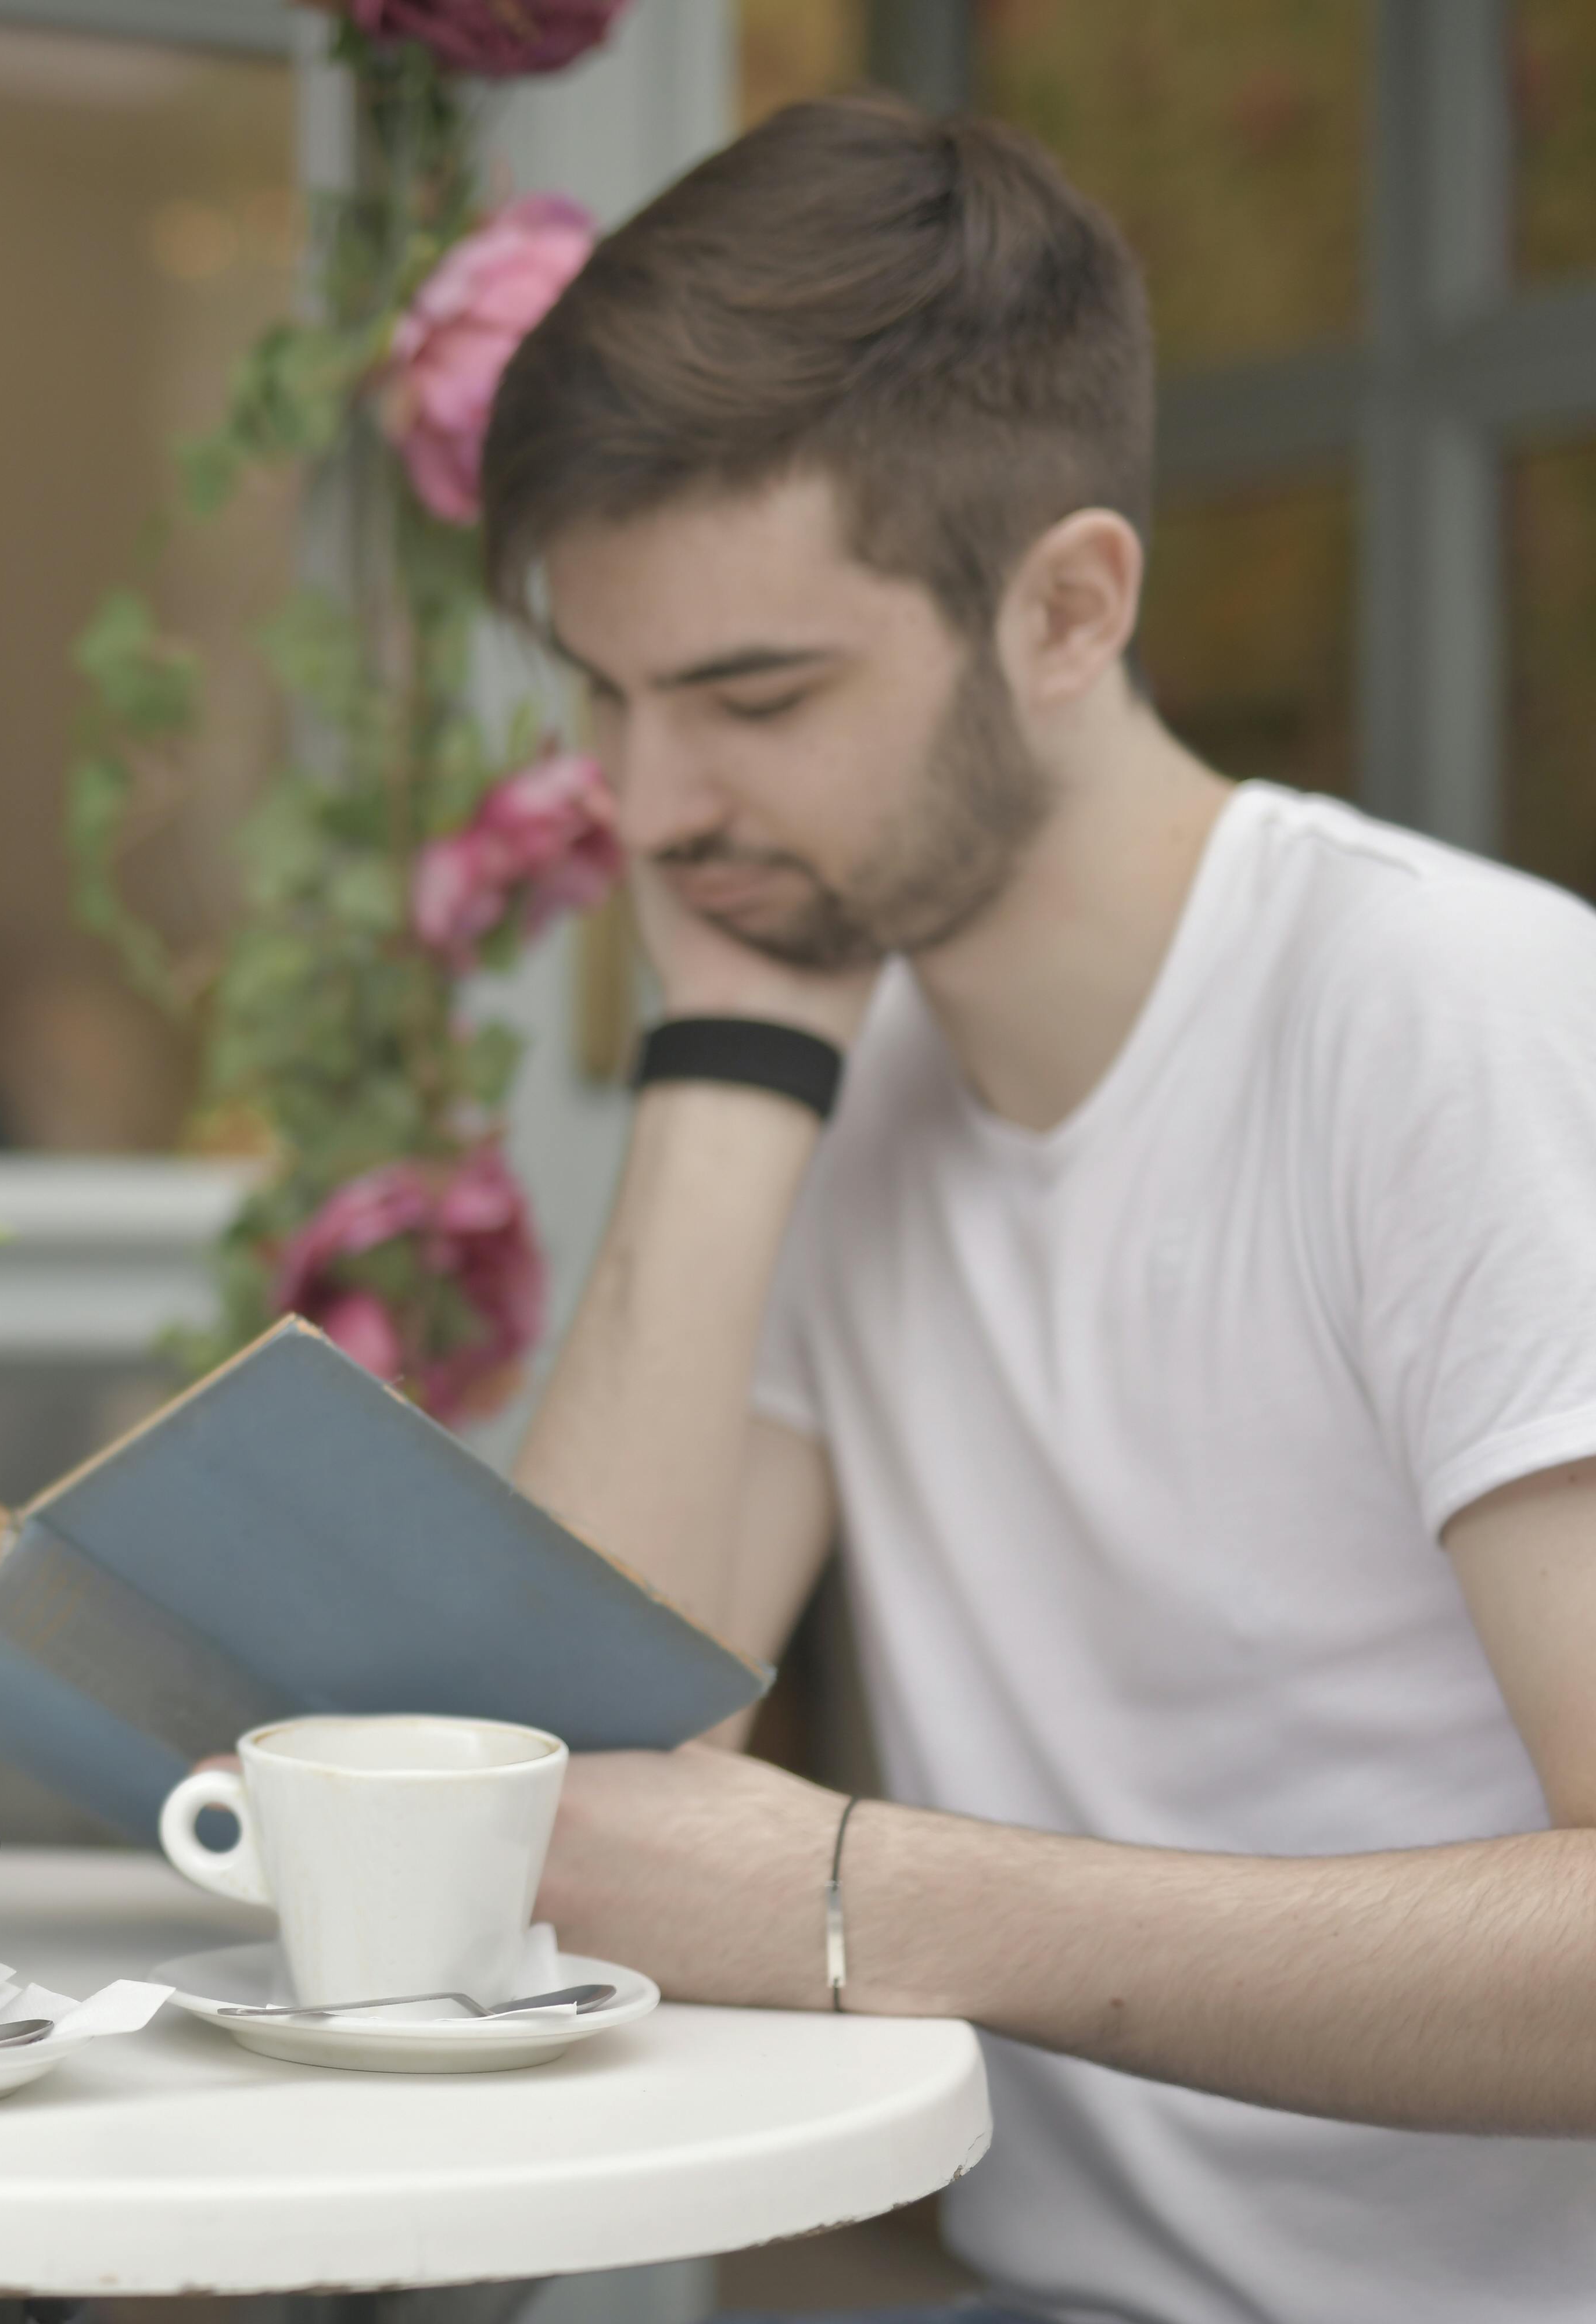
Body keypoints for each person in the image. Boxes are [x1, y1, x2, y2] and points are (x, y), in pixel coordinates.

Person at [487, 97, 1596, 2324]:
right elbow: (575, 1790)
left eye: (755, 697)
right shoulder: (834, 1052)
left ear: (1071, 606)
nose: (647, 808)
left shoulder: (1456, 1022)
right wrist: (731, 1050)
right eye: (606, 703)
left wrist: (860, 1895)